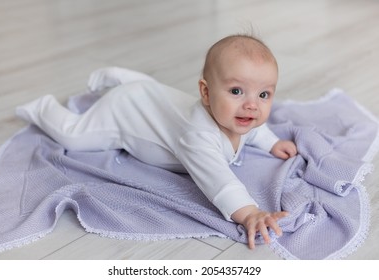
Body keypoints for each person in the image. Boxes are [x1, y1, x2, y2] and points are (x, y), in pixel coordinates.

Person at [16, 34, 297, 249]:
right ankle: (43, 107)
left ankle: (124, 78)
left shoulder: (238, 115)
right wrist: (249, 213)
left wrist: (271, 143)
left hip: (152, 98)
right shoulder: (198, 135)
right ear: (206, 92)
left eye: (264, 95)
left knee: (155, 93)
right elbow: (219, 180)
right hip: (125, 112)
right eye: (236, 90)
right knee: (74, 136)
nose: (252, 106)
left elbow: (254, 129)